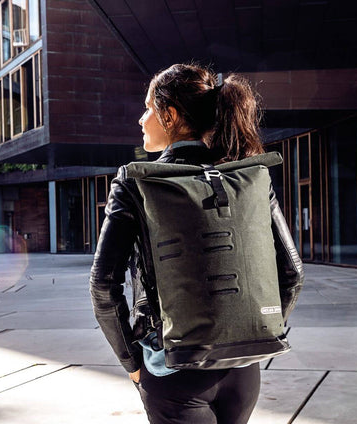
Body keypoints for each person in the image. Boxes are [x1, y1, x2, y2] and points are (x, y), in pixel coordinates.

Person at [90, 63, 304, 424]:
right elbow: (293, 273)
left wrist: (132, 364)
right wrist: (251, 331)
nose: (141, 119)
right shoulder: (249, 176)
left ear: (170, 115)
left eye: (148, 108)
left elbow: (102, 285)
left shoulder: (136, 182)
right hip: (243, 371)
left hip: (173, 370)